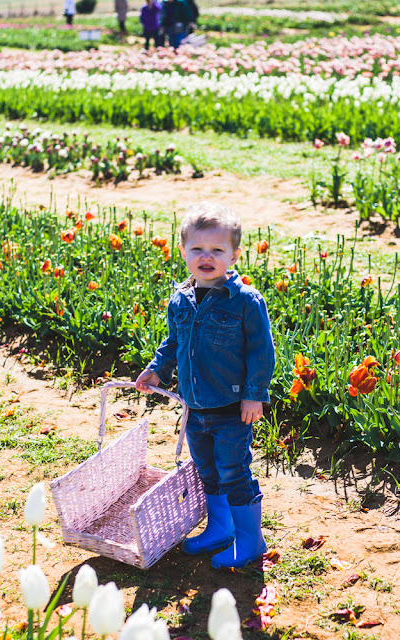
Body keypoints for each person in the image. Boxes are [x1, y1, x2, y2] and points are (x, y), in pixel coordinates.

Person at [136, 202, 275, 569]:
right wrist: (156, 370)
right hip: (195, 407)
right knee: (206, 470)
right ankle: (220, 528)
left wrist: (253, 395)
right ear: (183, 251)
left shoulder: (245, 300)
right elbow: (174, 343)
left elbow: (262, 352)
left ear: (234, 254)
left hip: (232, 408)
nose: (206, 257)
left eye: (217, 250)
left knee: (233, 470)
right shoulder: (180, 299)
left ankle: (251, 539)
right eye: (197, 249)